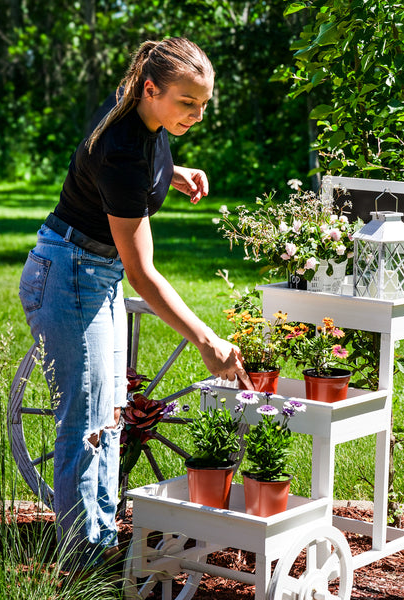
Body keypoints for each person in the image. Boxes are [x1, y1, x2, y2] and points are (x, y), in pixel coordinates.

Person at [18, 37, 250, 571]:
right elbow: (144, 273)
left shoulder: (140, 111)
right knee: (86, 423)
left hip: (91, 272)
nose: (196, 115)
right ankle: (84, 568)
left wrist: (173, 173)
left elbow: (144, 160)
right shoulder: (121, 148)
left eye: (203, 104)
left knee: (107, 416)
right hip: (73, 275)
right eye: (187, 103)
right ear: (151, 89)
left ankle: (97, 546)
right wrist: (206, 340)